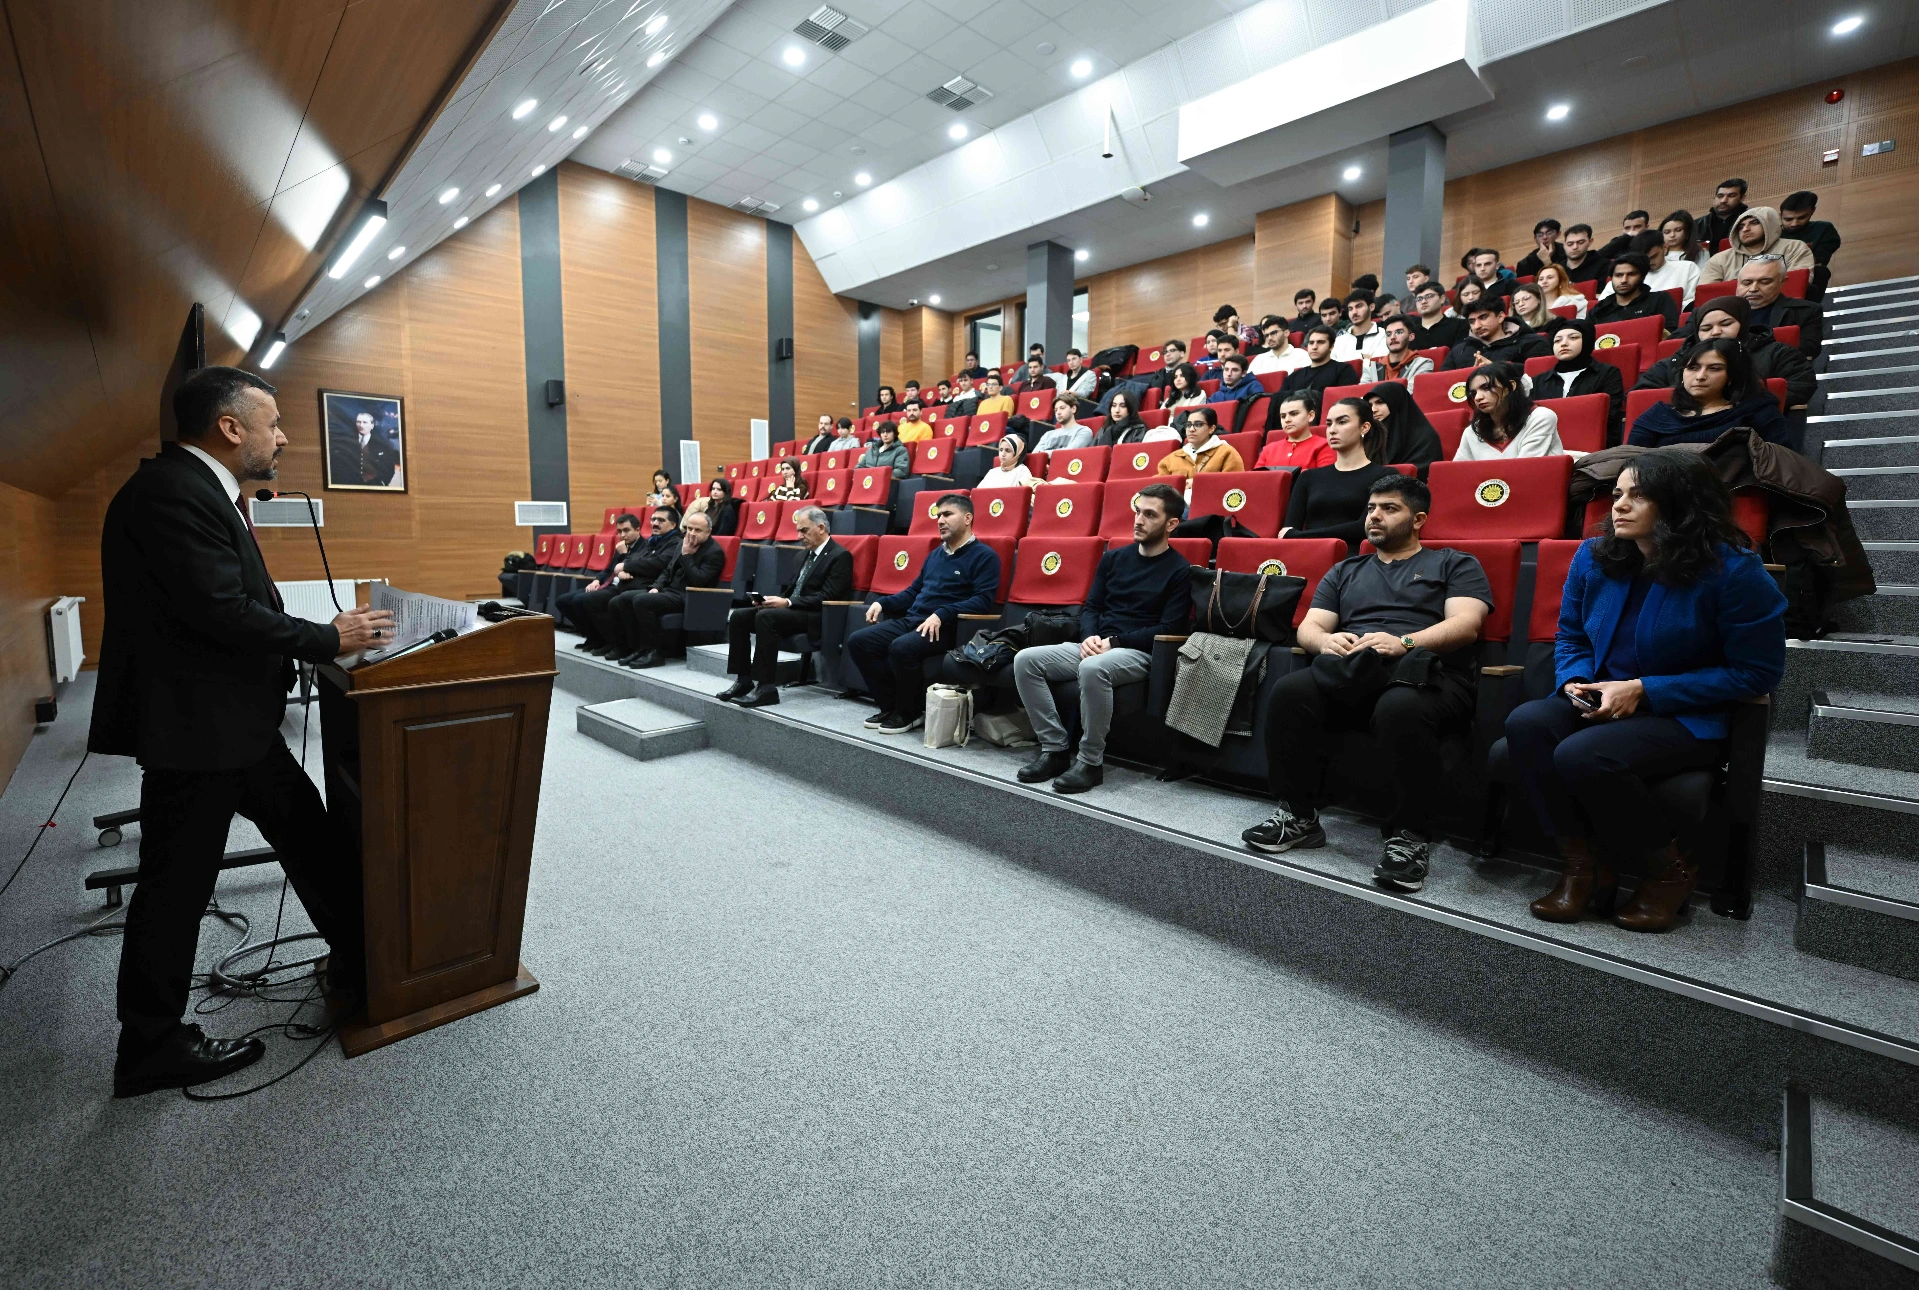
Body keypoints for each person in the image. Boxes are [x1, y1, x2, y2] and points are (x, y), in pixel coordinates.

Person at [92, 366, 393, 1097]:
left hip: (232, 724)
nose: (282, 438)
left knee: (313, 840)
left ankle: (373, 966)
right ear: (230, 428)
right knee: (175, 887)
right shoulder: (172, 493)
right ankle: (150, 1046)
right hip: (201, 731)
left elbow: (231, 600)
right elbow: (220, 611)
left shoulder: (194, 488)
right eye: (273, 423)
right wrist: (328, 638)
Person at [1506, 451, 1785, 931]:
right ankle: (1584, 868)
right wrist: (1574, 681)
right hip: (1603, 698)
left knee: (1581, 754)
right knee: (1525, 723)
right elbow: (1571, 634)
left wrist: (1644, 689)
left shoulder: (1734, 571)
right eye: (1617, 494)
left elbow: (1757, 673)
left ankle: (1670, 873)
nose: (1619, 505)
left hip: (1685, 715)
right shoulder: (1594, 556)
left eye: (1639, 495)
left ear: (1681, 503)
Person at [1242, 473, 1493, 890]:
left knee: (1399, 707)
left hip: (1427, 673)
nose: (1375, 515)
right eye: (1372, 507)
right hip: (1356, 669)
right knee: (1290, 692)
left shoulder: (1454, 563)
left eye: (1389, 508)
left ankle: (1408, 837)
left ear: (1418, 519)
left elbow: (1466, 625)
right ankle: (1299, 816)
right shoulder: (1346, 569)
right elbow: (1310, 627)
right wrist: (1326, 642)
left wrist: (1404, 642)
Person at [1013, 483, 1193, 794]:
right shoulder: (1114, 558)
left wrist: (1115, 643)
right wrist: (1089, 637)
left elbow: (1169, 627)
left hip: (1138, 651)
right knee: (1025, 660)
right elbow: (1092, 607)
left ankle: (1090, 762)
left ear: (1171, 524)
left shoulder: (1180, 570)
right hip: (1098, 643)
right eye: (1138, 511)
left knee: (1092, 668)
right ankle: (1055, 749)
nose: (1139, 520)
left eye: (1150, 515)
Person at [848, 494, 1000, 734]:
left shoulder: (985, 556)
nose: (940, 520)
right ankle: (890, 706)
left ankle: (909, 713)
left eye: (947, 514)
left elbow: (983, 601)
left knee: (901, 647)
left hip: (948, 627)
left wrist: (943, 613)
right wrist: (883, 603)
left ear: (968, 518)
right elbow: (913, 592)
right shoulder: (935, 555)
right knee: (859, 641)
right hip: (914, 620)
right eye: (938, 515)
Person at [715, 506, 853, 708]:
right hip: (793, 611)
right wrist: (771, 601)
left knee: (766, 618)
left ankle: (766, 688)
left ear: (821, 528)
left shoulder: (840, 556)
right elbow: (792, 591)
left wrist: (787, 603)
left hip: (816, 616)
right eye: (798, 531)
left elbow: (828, 596)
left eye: (804, 530)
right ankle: (743, 680)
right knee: (739, 617)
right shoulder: (802, 556)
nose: (799, 536)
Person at [1634, 296, 1815, 413]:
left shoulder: (1778, 353)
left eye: (1726, 324)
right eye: (1706, 328)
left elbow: (1801, 385)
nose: (1715, 332)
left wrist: (1731, 404)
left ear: (1743, 324)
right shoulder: (1675, 361)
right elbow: (1640, 397)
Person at [602, 509, 722, 668]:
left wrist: (687, 556)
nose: (692, 533)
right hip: (669, 591)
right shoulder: (683, 542)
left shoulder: (715, 552)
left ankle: (655, 653)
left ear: (709, 531)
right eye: (689, 529)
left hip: (689, 596)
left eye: (698, 530)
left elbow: (699, 580)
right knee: (620, 600)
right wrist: (656, 587)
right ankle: (635, 648)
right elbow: (667, 570)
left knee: (641, 601)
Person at [1277, 398, 1397, 544]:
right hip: (1308, 553)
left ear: (1364, 427)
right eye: (1329, 424)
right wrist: (1296, 535)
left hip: (1355, 555)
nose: (1332, 430)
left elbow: (1365, 527)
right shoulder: (1308, 477)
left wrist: (1300, 535)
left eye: (1342, 422)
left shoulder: (1386, 476)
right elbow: (1288, 531)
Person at [1630, 338, 1790, 448]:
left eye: (1714, 368)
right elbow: (1630, 463)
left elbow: (1781, 461)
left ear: (1733, 375)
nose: (1700, 376)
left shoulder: (1758, 411)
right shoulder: (1657, 417)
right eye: (1692, 368)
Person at [1531, 318, 1626, 443]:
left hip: (1593, 443)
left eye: (1573, 337)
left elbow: (1609, 417)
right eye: (1557, 340)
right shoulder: (1537, 381)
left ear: (1586, 340)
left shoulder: (1607, 373)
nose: (1563, 344)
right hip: (1546, 443)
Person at [559, 512, 643, 640]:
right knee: (563, 601)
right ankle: (592, 637)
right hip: (607, 584)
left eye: (626, 530)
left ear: (638, 530)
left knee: (581, 600)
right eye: (619, 531)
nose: (622, 535)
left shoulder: (644, 547)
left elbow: (632, 569)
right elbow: (609, 569)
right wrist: (596, 580)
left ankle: (605, 640)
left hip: (622, 587)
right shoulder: (622, 546)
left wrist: (624, 555)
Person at [1457, 363, 1565, 460]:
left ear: (1510, 386)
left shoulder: (1540, 417)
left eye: (1486, 388)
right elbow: (1459, 471)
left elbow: (1523, 469)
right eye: (1474, 393)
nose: (1477, 398)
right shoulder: (1472, 431)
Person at [1736, 255, 1825, 357]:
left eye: (1764, 282)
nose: (1753, 289)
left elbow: (1809, 349)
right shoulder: (1722, 311)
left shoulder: (1805, 311)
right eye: (1747, 283)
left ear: (1782, 282)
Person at [1703, 207, 1814, 282]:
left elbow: (1797, 284)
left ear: (1770, 225)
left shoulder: (1794, 248)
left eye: (1754, 223)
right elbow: (1707, 293)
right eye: (1741, 226)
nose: (1745, 229)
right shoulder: (1719, 259)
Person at [1154, 407, 1244, 496]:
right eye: (1188, 425)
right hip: (1175, 503)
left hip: (1211, 502)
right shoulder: (1173, 457)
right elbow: (1156, 487)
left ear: (1211, 429)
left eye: (1198, 424)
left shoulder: (1226, 452)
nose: (1191, 429)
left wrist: (1199, 483)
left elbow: (1234, 485)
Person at [1598, 231, 1698, 308]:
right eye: (1642, 259)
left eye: (1653, 257)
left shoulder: (1687, 268)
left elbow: (1691, 303)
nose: (1648, 263)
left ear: (1665, 248)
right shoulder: (1625, 275)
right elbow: (1601, 307)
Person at [1588, 253, 1679, 334]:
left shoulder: (1659, 300)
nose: (1624, 280)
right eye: (1618, 275)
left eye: (1631, 274)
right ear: (1611, 278)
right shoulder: (1599, 310)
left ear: (1642, 277)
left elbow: (1671, 334)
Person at [1447, 298, 1547, 369]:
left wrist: (1496, 369)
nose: (1477, 326)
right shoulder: (1458, 351)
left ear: (1500, 317)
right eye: (1472, 321)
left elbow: (1539, 376)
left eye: (1483, 317)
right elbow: (1443, 382)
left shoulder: (1533, 342)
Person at [1364, 383, 1444, 470]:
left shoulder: (1425, 438)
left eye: (1380, 402)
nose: (1373, 410)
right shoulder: (1371, 436)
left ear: (1397, 402)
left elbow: (1422, 472)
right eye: (1370, 405)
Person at [1273, 326, 1359, 406]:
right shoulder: (1294, 376)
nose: (1314, 347)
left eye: (1320, 342)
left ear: (1331, 346)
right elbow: (1279, 402)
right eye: (1311, 343)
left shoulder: (1343, 370)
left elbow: (1346, 403)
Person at [1778, 190, 1840, 300]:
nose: (1794, 223)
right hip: (1771, 275)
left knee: (1821, 272)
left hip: (1802, 276)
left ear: (1812, 211)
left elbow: (1816, 262)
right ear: (1780, 215)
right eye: (1788, 219)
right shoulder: (1772, 233)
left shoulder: (1823, 229)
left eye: (1801, 218)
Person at [1099, 338, 1187, 415]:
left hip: (1175, 408)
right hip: (1159, 407)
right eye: (1165, 352)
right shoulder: (1158, 375)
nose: (1167, 354)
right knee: (1124, 385)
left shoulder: (1188, 372)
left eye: (1172, 350)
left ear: (1182, 353)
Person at [1254, 392, 1335, 470]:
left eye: (1294, 414)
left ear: (1310, 415)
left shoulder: (1324, 445)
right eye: (1283, 416)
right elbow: (1257, 477)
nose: (1287, 420)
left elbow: (1323, 477)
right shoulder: (1268, 450)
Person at [329, 408, 399, 486]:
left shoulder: (382, 445)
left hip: (375, 485)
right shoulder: (346, 442)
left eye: (365, 422)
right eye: (358, 422)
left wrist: (382, 482)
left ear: (372, 425)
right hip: (349, 484)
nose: (361, 425)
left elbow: (389, 467)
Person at [1362, 317, 1434, 384]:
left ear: (1411, 336)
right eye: (1388, 334)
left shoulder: (1422, 364)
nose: (1393, 337)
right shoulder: (1372, 369)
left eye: (1399, 332)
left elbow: (1411, 391)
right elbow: (1363, 392)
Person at [1332, 293, 1389, 363]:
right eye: (1350, 309)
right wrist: (1364, 357)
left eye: (1359, 306)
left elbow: (1383, 364)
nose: (1354, 312)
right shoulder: (1339, 341)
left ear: (1371, 307)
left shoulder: (1385, 336)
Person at [1696, 177, 1749, 250]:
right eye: (1720, 196)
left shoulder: (1752, 220)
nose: (1723, 200)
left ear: (1742, 198)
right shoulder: (1697, 225)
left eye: (1731, 195)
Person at [1410, 282, 1466, 349]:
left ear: (1442, 299)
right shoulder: (1410, 332)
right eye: (1419, 299)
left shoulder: (1459, 325)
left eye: (1429, 296)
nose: (1423, 301)